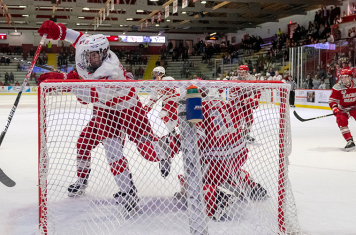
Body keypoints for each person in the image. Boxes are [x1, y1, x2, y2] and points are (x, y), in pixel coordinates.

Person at [37, 20, 178, 214]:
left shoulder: (109, 71)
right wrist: (58, 30)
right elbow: (75, 37)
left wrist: (64, 81)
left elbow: (88, 97)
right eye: (87, 55)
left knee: (148, 151)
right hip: (104, 111)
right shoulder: (88, 49)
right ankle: (127, 191)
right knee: (108, 151)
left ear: (104, 53)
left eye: (93, 56)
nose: (89, 60)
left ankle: (171, 145)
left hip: (128, 108)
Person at [175, 88, 268, 220]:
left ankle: (218, 200)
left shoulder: (197, 105)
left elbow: (198, 138)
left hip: (215, 161)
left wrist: (182, 143)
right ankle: (249, 185)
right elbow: (239, 123)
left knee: (192, 179)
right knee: (227, 171)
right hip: (239, 154)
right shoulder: (224, 102)